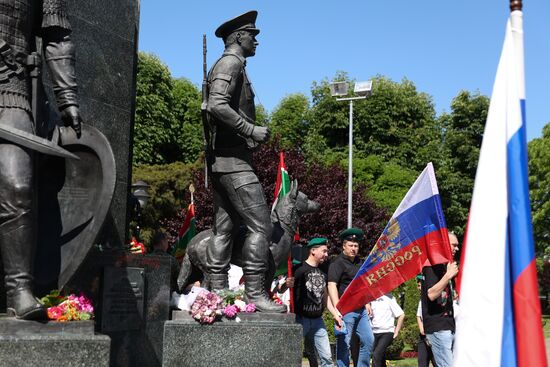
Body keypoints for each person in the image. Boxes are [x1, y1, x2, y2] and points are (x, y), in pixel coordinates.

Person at [0, 0, 83, 320]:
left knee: (18, 186)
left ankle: (19, 289)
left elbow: (57, 35)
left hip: (10, 88)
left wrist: (68, 98)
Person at [204, 10, 283, 313]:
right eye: (253, 35)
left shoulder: (234, 65)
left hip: (225, 162)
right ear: (238, 36)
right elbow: (216, 104)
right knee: (261, 226)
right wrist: (250, 129)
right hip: (234, 164)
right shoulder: (231, 63)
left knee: (223, 230)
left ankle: (218, 293)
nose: (256, 41)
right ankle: (255, 294)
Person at [286, 238, 337, 367]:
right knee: (292, 355)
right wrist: (285, 285)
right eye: (324, 251)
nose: (326, 254)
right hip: (300, 320)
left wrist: (335, 314)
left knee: (327, 358)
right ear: (313, 251)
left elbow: (325, 297)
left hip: (318, 321)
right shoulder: (298, 269)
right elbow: (282, 287)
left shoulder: (323, 272)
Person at [328, 228, 374, 367]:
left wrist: (367, 302)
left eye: (356, 246)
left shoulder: (360, 262)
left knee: (369, 340)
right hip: (346, 310)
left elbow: (363, 285)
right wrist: (338, 309)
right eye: (351, 245)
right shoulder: (337, 263)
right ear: (344, 246)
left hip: (361, 309)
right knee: (344, 343)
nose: (354, 248)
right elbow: (331, 285)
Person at [420, 232, 460, 367]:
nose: (457, 249)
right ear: (444, 244)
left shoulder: (445, 265)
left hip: (449, 324)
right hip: (437, 326)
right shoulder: (431, 264)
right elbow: (431, 294)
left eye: (457, 246)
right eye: (453, 245)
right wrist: (448, 276)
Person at [370, 293, 405, 367]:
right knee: (380, 357)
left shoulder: (390, 298)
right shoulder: (370, 299)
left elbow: (401, 315)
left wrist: (396, 331)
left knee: (377, 355)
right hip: (374, 332)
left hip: (387, 332)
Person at [416, 275, 438, 367]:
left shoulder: (433, 297)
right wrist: (421, 328)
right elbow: (418, 316)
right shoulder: (421, 300)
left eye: (421, 285)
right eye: (418, 285)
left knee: (437, 363)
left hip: (435, 336)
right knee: (422, 363)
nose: (419, 287)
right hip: (423, 337)